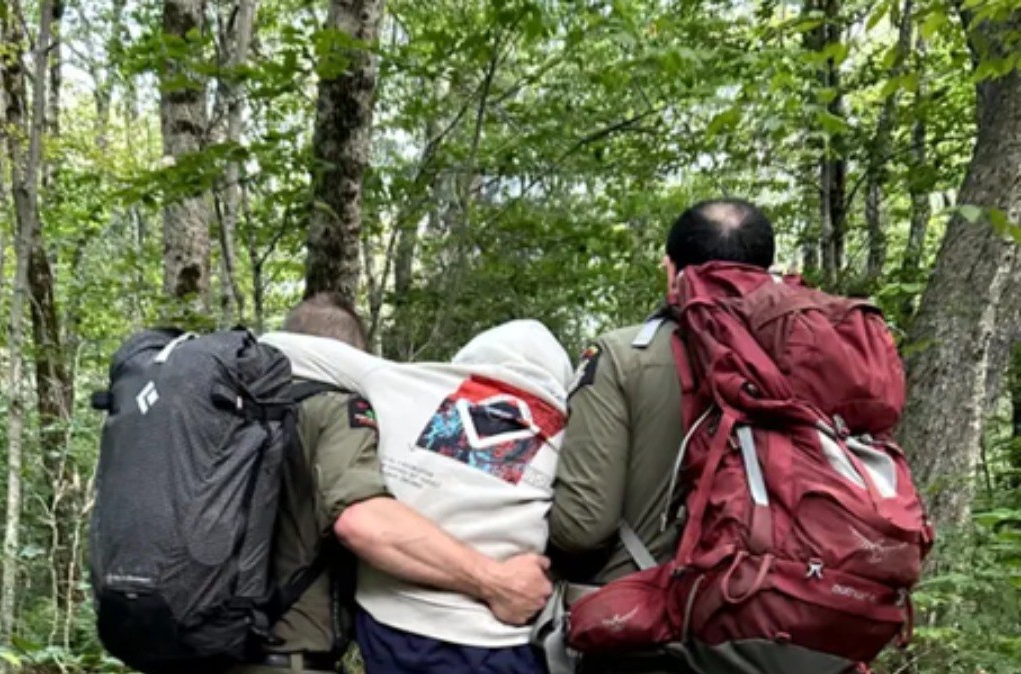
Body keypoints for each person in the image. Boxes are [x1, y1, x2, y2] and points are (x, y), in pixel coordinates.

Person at [236, 293, 555, 674]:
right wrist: (497, 581)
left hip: (392, 633)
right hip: (499, 642)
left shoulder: (403, 384)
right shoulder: (567, 426)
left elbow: (282, 346)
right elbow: (362, 522)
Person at [548, 198, 776, 674]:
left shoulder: (622, 357)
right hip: (769, 630)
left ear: (670, 271)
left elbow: (583, 527)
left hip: (646, 637)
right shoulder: (804, 360)